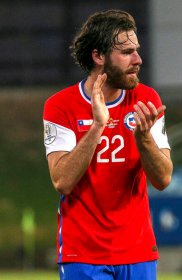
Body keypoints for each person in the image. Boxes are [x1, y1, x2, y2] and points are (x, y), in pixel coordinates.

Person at [43, 10, 173, 280]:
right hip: (83, 253)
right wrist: (97, 126)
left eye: (136, 50)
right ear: (98, 56)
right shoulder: (60, 106)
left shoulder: (146, 99)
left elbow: (163, 179)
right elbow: (62, 181)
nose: (138, 59)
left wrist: (143, 137)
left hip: (137, 251)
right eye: (126, 52)